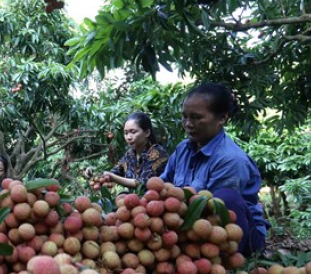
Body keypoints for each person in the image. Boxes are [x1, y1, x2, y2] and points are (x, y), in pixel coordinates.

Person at [160, 82, 268, 256]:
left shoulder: (231, 159)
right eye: (184, 116)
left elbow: (212, 211)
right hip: (191, 226)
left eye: (196, 117)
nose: (188, 123)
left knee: (226, 198)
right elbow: (163, 185)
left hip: (236, 235)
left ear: (222, 118)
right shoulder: (182, 149)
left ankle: (229, 261)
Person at [100, 112, 169, 189]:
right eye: (126, 133)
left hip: (154, 199)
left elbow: (144, 183)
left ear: (147, 133)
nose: (128, 137)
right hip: (132, 200)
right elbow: (114, 172)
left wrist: (113, 177)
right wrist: (94, 174)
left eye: (133, 132)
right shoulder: (130, 154)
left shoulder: (157, 153)